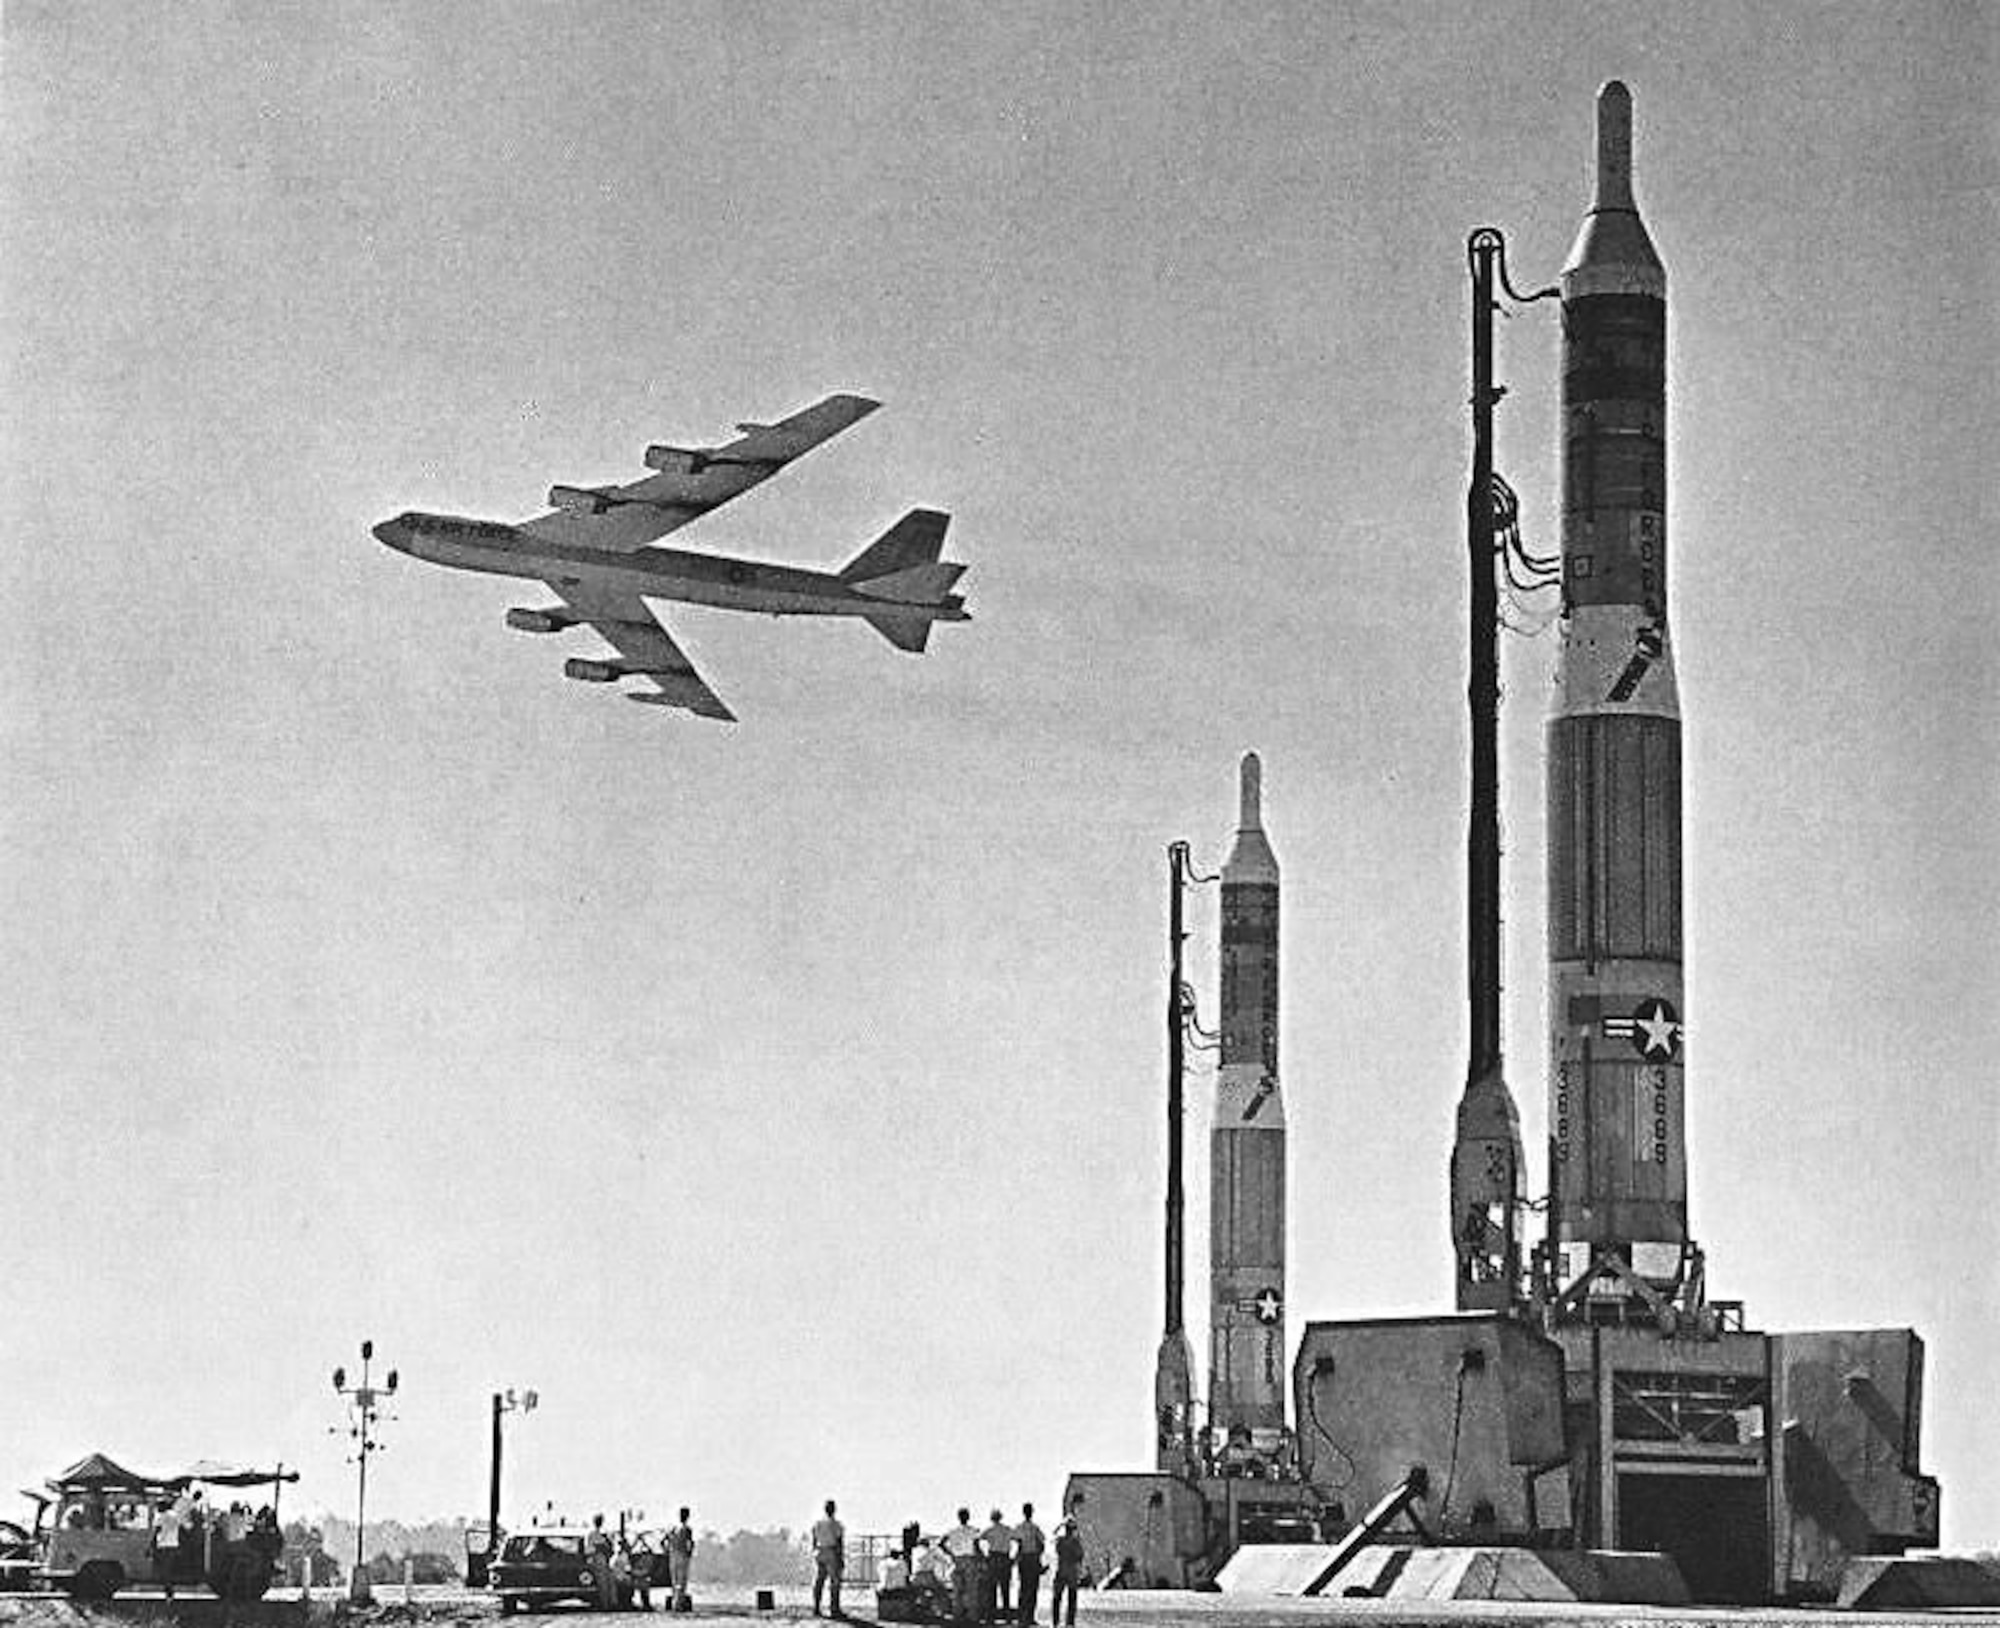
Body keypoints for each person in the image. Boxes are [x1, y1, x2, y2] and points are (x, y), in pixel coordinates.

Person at [943, 1509, 981, 1623]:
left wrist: (951, 1554)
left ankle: (957, 1615)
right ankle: (972, 1616)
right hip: (969, 1560)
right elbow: (976, 1547)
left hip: (957, 1560)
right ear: (968, 1517)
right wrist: (980, 1559)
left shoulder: (952, 1531)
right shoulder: (973, 1530)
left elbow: (941, 1543)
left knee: (957, 1591)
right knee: (971, 1590)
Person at [811, 1499, 845, 1619]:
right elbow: (839, 1541)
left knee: (819, 1581)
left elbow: (814, 1538)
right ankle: (834, 1608)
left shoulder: (817, 1522)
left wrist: (814, 1550)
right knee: (834, 1582)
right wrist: (840, 1557)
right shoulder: (836, 1524)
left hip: (819, 1551)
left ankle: (816, 1607)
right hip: (831, 1551)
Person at [1012, 1504, 1045, 1628]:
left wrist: (1015, 1559)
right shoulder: (1035, 1528)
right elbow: (1041, 1544)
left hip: (1024, 1559)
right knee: (1032, 1589)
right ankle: (1030, 1617)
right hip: (1033, 1558)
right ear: (1031, 1512)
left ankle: (1022, 1617)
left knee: (1023, 1588)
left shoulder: (1019, 1528)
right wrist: (1038, 1556)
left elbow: (1018, 1545)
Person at [1049, 1520, 1084, 1628]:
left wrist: (1060, 1525)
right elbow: (1080, 1556)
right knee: (1072, 1598)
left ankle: (1055, 1621)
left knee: (1056, 1598)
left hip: (1060, 1571)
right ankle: (1070, 1622)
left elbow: (1053, 1536)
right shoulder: (1075, 1542)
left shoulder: (1060, 1541)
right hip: (1072, 1572)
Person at [980, 1510, 1012, 1623]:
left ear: (992, 1518)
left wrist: (983, 1557)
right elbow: (1019, 1541)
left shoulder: (989, 1530)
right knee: (1005, 1589)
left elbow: (977, 1540)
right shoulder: (1008, 1529)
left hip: (993, 1558)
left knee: (991, 1590)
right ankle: (1007, 1617)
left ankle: (991, 1617)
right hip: (1005, 1558)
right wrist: (1014, 1559)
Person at [666, 1507, 695, 1613]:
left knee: (674, 1581)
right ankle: (678, 1605)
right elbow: (690, 1543)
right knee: (681, 1581)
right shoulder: (687, 1529)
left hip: (673, 1555)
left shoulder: (673, 1528)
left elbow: (665, 1541)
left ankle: (676, 1603)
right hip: (682, 1555)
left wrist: (669, 1550)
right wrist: (689, 1554)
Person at [589, 1514, 617, 1610]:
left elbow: (609, 1547)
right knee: (602, 1584)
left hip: (604, 1559)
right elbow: (595, 1547)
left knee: (608, 1583)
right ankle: (604, 1604)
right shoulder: (593, 1534)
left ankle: (610, 1603)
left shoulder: (603, 1533)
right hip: (599, 1559)